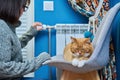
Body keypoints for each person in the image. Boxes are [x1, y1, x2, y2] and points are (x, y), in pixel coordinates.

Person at [0, 0, 51, 80]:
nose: (24, 10)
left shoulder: (7, 26)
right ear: (12, 6)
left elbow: (13, 47)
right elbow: (3, 68)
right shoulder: (1, 27)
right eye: (23, 6)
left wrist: (31, 32)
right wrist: (37, 61)